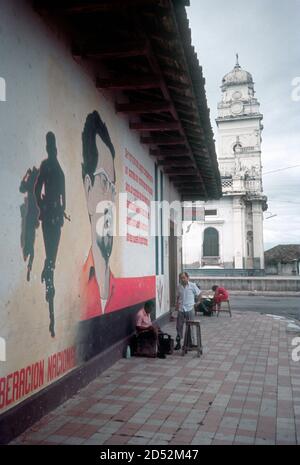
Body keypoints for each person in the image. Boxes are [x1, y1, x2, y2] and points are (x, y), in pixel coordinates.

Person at [35, 132, 66, 337]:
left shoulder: (50, 166)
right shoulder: (52, 167)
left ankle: (48, 272)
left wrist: (43, 207)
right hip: (51, 216)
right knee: (51, 255)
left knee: (51, 256)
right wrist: (45, 208)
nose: (51, 150)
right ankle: (49, 275)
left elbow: (62, 195)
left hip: (51, 216)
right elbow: (63, 196)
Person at [175, 272, 201, 350]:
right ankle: (178, 343)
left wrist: (198, 302)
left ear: (187, 277)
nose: (182, 279)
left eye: (184, 277)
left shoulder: (192, 285)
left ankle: (190, 344)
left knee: (190, 326)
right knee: (179, 327)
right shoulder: (179, 287)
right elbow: (178, 297)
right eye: (181, 278)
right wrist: (177, 305)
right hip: (181, 309)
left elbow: (199, 294)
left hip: (190, 309)